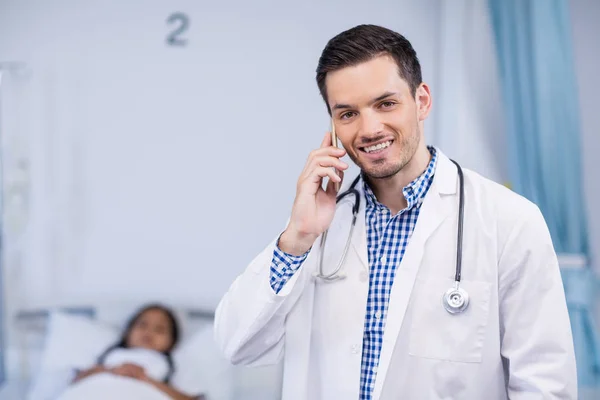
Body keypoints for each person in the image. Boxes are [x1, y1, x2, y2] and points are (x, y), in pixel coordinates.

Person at [213, 24, 577, 400]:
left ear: (421, 101)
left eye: (386, 104)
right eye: (348, 113)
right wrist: (297, 238)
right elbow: (237, 346)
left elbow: (544, 386)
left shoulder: (510, 221)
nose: (369, 128)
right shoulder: (315, 226)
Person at [71, 303, 204, 400]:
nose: (149, 332)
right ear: (128, 332)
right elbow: (77, 381)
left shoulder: (169, 366)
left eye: (159, 329)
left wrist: (144, 378)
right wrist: (113, 370)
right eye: (142, 325)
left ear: (172, 341)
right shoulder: (112, 357)